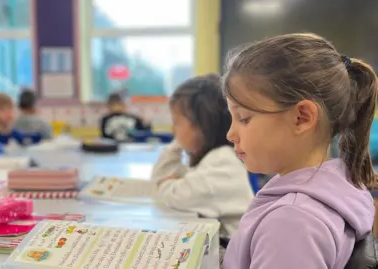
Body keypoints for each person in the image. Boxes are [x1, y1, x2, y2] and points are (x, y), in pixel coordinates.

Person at [222, 33, 376, 268]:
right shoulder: (337, 185)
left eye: (243, 118)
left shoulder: (291, 222)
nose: (230, 134)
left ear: (301, 117)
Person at [151, 74, 254, 238]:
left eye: (177, 122)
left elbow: (173, 193)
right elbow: (171, 179)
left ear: (201, 124)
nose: (173, 129)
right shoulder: (213, 159)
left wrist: (167, 182)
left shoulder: (223, 162)